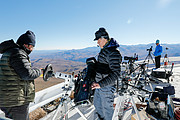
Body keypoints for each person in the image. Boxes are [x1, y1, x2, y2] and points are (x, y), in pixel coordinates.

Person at [0, 30, 41, 120]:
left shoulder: (9, 52)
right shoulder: (18, 53)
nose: (32, 49)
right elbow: (27, 74)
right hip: (16, 101)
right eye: (32, 46)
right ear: (25, 44)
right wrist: (39, 71)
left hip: (9, 98)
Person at [91, 27, 122, 120]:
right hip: (99, 85)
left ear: (104, 38)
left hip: (106, 87)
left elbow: (115, 74)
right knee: (97, 105)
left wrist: (101, 84)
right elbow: (103, 67)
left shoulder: (113, 53)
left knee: (107, 110)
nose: (97, 42)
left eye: (98, 40)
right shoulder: (105, 50)